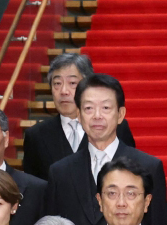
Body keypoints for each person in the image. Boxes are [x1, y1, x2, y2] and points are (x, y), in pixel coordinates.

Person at [46, 74, 167, 225]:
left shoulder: (149, 166)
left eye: (106, 108)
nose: (97, 116)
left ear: (120, 114)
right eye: (89, 108)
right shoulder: (60, 171)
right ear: (79, 115)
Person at [21, 53, 137, 181]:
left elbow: (132, 176)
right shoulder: (36, 135)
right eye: (57, 83)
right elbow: (33, 188)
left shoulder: (116, 126)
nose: (64, 91)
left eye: (72, 83)